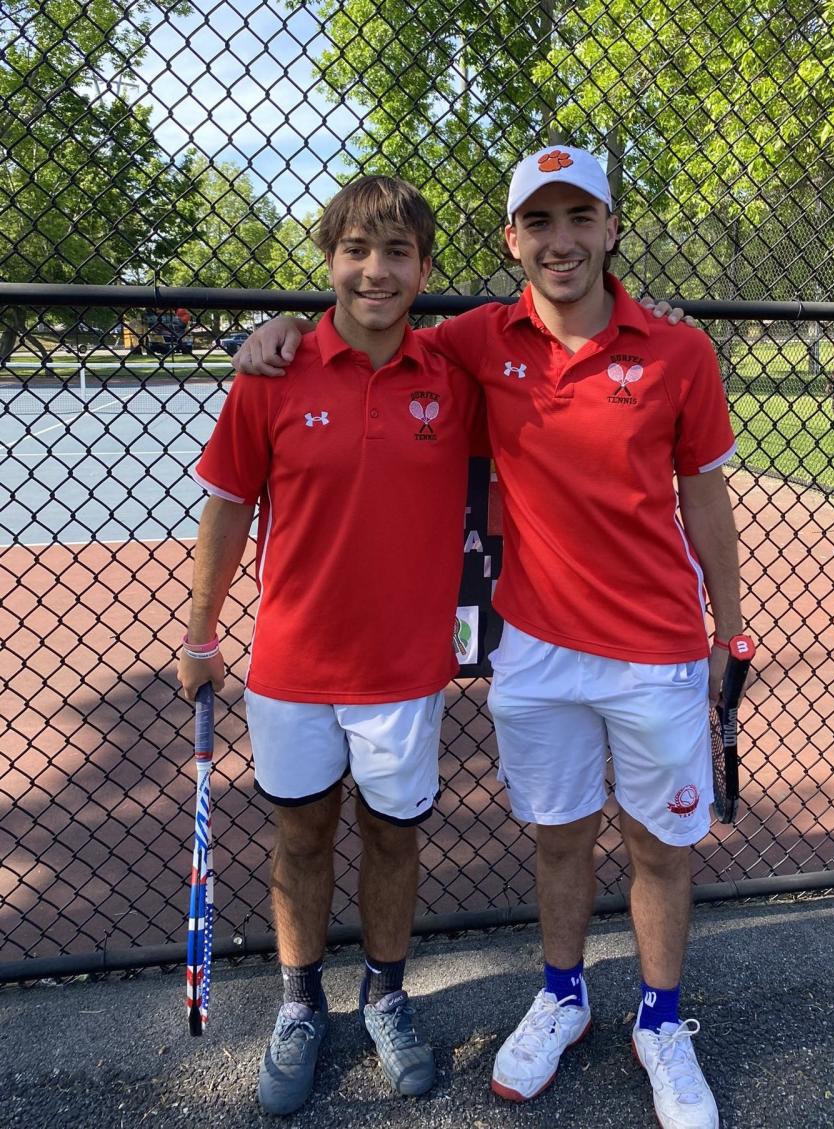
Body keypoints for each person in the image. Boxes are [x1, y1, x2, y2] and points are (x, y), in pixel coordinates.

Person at [234, 145, 745, 1129]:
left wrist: (736, 626)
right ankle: (561, 996)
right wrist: (285, 327)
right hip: (537, 648)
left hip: (657, 647)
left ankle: (663, 1022)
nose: (561, 240)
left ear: (610, 229)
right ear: (512, 240)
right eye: (539, 222)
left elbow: (707, 497)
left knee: (658, 845)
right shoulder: (477, 340)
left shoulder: (679, 353)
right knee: (558, 842)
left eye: (579, 218)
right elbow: (370, 330)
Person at [177, 175, 485, 1115]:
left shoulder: (455, 374)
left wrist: (660, 315)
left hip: (404, 668)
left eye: (396, 252)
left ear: (424, 269)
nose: (375, 269)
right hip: (294, 664)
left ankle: (385, 993)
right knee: (301, 835)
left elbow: (551, 337)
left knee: (394, 836)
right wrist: (199, 631)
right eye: (356, 249)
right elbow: (227, 511)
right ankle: (301, 1002)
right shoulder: (271, 373)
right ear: (330, 261)